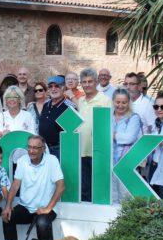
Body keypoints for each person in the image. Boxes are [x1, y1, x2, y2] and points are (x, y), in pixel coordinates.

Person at [2, 135, 65, 240]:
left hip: (46, 208)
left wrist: (48, 208)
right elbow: (16, 184)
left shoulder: (52, 160)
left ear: (43, 149)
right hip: (26, 207)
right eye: (29, 147)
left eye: (35, 147)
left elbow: (61, 186)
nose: (31, 151)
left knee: (42, 222)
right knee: (8, 216)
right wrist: (7, 206)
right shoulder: (22, 160)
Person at [77, 68, 111, 202]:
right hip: (82, 151)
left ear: (96, 81)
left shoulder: (105, 100)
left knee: (99, 187)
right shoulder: (80, 101)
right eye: (84, 82)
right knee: (85, 189)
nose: (87, 84)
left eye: (90, 81)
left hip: (97, 151)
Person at [111, 88, 142, 204]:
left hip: (126, 160)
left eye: (124, 102)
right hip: (109, 159)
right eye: (117, 102)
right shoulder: (108, 116)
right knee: (112, 193)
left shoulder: (133, 117)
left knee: (126, 195)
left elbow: (129, 137)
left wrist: (111, 135)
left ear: (128, 102)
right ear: (113, 101)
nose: (120, 105)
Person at [38, 76, 76, 159]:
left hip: (59, 151)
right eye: (50, 86)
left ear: (63, 88)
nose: (53, 89)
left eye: (57, 86)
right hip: (43, 149)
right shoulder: (46, 104)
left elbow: (73, 133)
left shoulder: (69, 107)